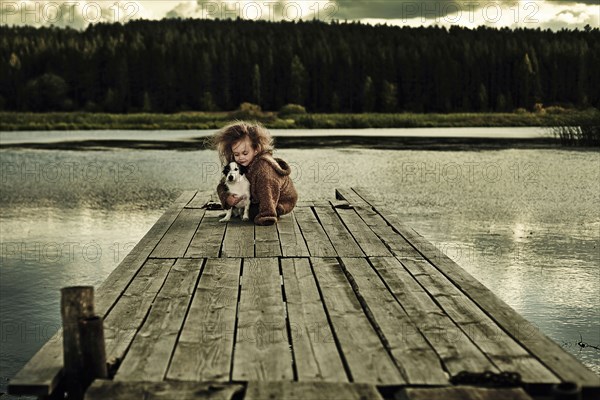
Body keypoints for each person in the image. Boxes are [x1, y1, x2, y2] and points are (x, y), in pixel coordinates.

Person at [212, 121, 298, 225]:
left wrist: (267, 215)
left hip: (280, 201)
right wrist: (227, 199)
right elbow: (222, 185)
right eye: (236, 154)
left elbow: (267, 191)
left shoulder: (264, 170)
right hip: (257, 198)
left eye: (245, 153)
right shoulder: (239, 164)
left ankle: (265, 212)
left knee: (252, 213)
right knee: (241, 201)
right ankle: (236, 211)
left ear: (256, 150)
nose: (240, 158)